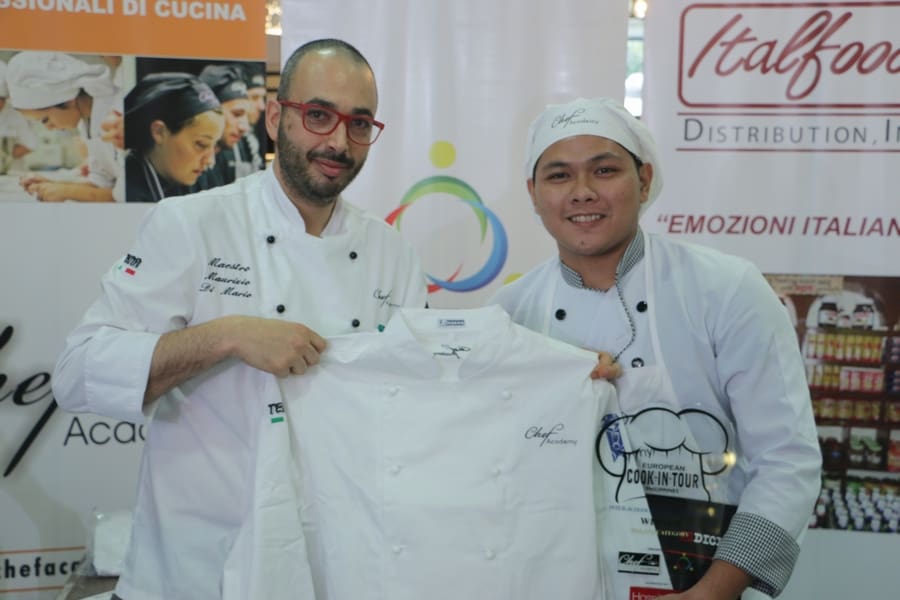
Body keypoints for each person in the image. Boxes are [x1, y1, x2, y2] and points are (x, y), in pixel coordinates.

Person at [51, 38, 426, 600]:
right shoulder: (192, 223)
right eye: (318, 115)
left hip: (334, 564)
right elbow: (77, 372)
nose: (338, 141)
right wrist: (228, 335)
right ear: (275, 118)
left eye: (359, 123)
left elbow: (415, 404)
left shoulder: (392, 253)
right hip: (199, 563)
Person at [490, 97, 821, 600]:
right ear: (534, 194)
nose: (582, 192)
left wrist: (713, 592)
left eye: (604, 170)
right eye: (559, 176)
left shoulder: (726, 290)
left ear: (644, 180)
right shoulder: (508, 314)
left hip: (702, 581)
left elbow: (787, 460)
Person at [6, 51, 123, 202]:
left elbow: (126, 195)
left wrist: (66, 191)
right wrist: (53, 185)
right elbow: (101, 184)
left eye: (45, 119)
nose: (49, 128)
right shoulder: (86, 122)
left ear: (67, 99)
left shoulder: (116, 116)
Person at [123, 72, 225, 202]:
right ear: (159, 132)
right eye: (201, 144)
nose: (210, 161)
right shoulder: (126, 194)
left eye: (215, 146)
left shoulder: (200, 179)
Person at [198, 63, 254, 186]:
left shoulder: (223, 159)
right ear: (210, 111)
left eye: (246, 117)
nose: (244, 127)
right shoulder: (187, 168)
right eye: (236, 114)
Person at [0, 59, 38, 174]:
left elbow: (30, 143)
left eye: (1, 99)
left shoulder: (16, 114)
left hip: (12, 173)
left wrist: (6, 154)